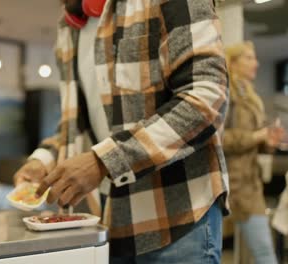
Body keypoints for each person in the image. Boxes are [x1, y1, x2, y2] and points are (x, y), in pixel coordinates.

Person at [14, 0, 229, 262]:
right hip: (108, 223)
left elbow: (206, 99)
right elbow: (77, 121)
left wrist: (103, 161)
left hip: (178, 223)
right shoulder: (69, 24)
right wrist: (43, 159)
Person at [223, 41, 285, 264]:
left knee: (264, 252)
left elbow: (255, 141)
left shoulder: (251, 97)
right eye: (249, 58)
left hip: (249, 186)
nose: (256, 63)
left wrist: (268, 141)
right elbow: (219, 138)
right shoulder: (226, 94)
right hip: (226, 186)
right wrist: (257, 137)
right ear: (233, 62)